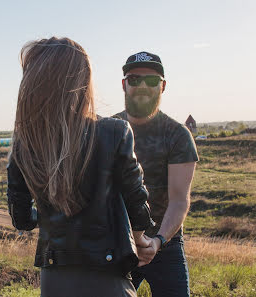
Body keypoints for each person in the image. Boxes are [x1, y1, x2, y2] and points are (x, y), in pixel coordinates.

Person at [7, 37, 154, 297]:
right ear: (82, 81)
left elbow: (21, 219)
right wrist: (142, 240)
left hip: (54, 278)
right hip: (108, 277)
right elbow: (137, 203)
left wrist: (48, 213)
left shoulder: (24, 142)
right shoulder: (114, 132)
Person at [114, 51, 199, 297]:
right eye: (134, 79)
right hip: (117, 243)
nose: (142, 86)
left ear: (163, 86)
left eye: (151, 81)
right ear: (124, 84)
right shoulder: (107, 131)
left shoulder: (177, 135)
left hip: (165, 244)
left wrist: (157, 241)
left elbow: (179, 200)